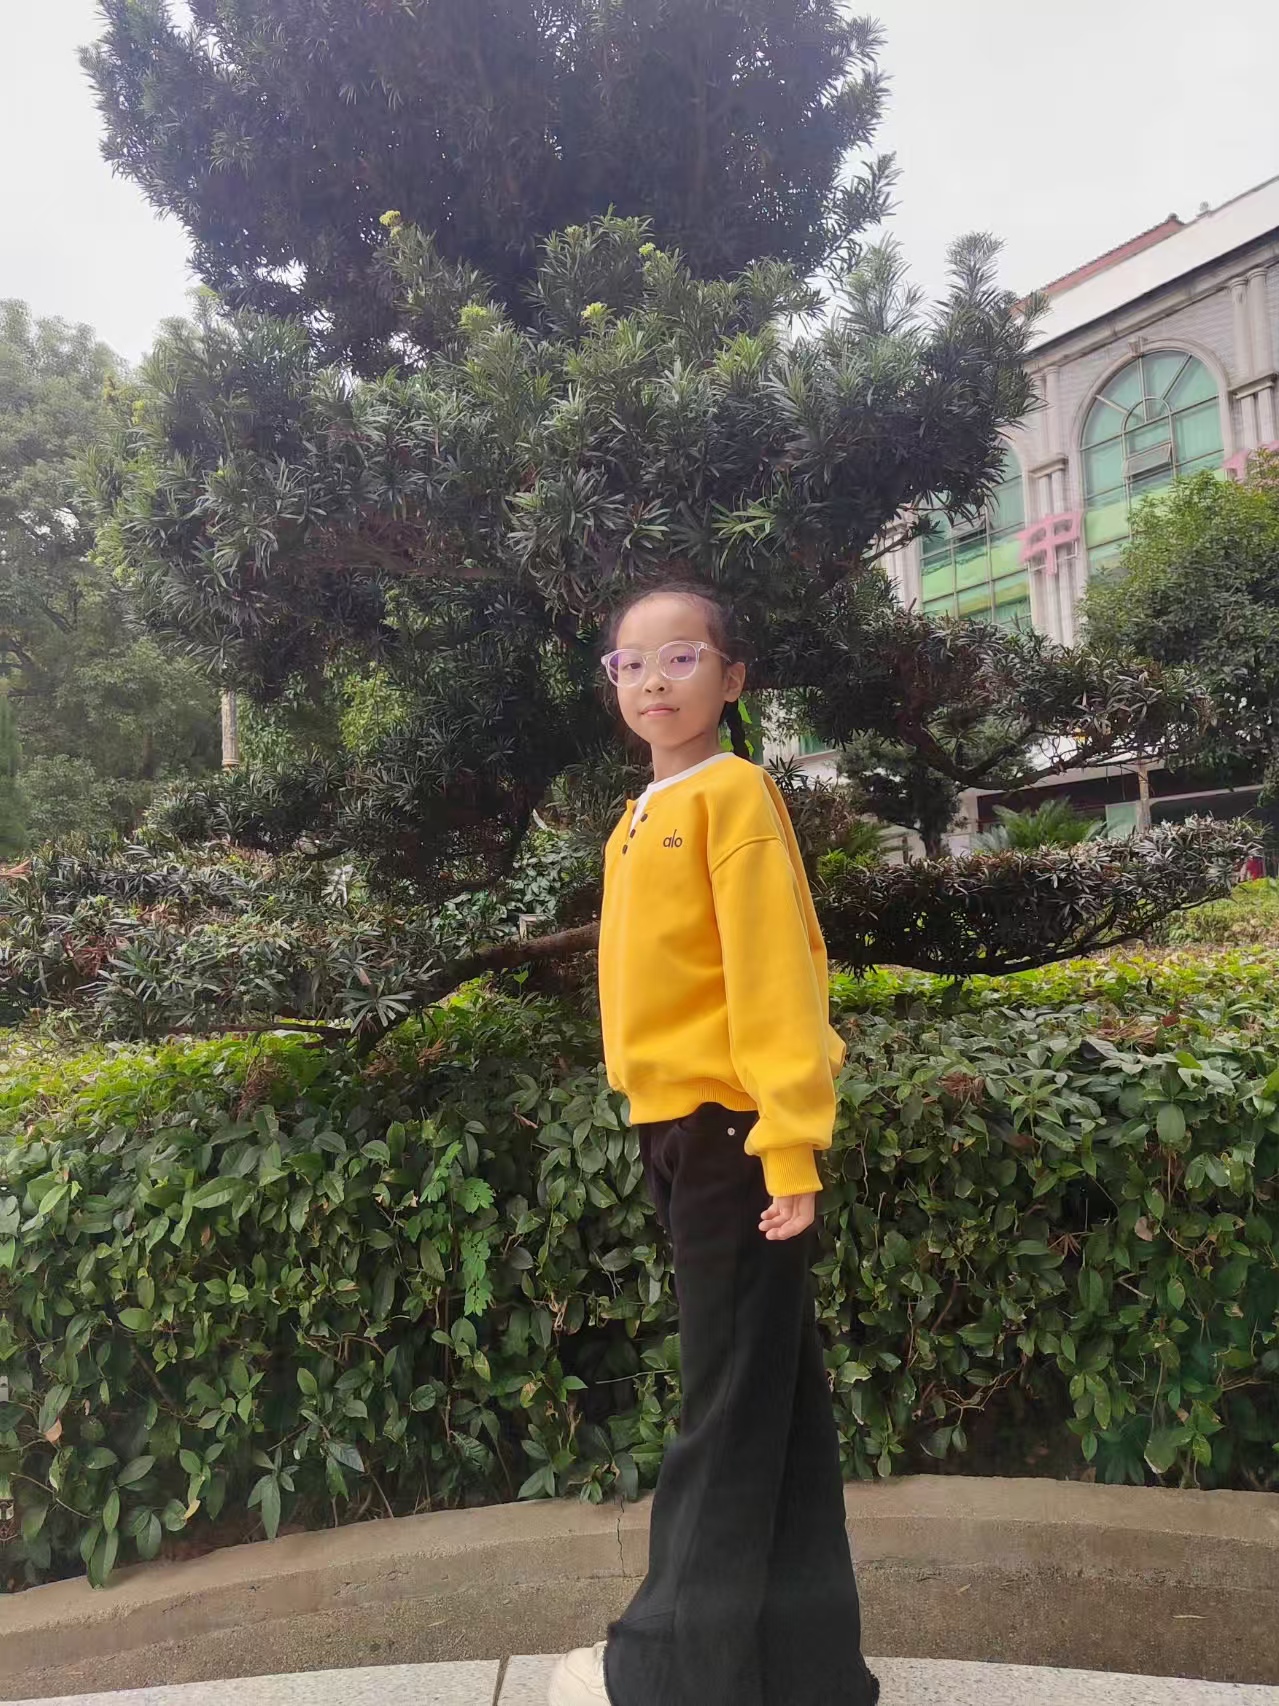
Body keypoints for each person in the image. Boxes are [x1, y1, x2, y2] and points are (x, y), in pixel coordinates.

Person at [548, 582, 879, 1706]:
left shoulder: (731, 792)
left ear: (731, 679)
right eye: (629, 663)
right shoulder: (642, 810)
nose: (653, 680)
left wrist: (789, 1145)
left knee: (723, 1413)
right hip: (681, 1131)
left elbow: (775, 974)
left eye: (682, 657)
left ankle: (661, 1674)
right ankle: (807, 1674)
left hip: (732, 1134)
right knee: (774, 1405)